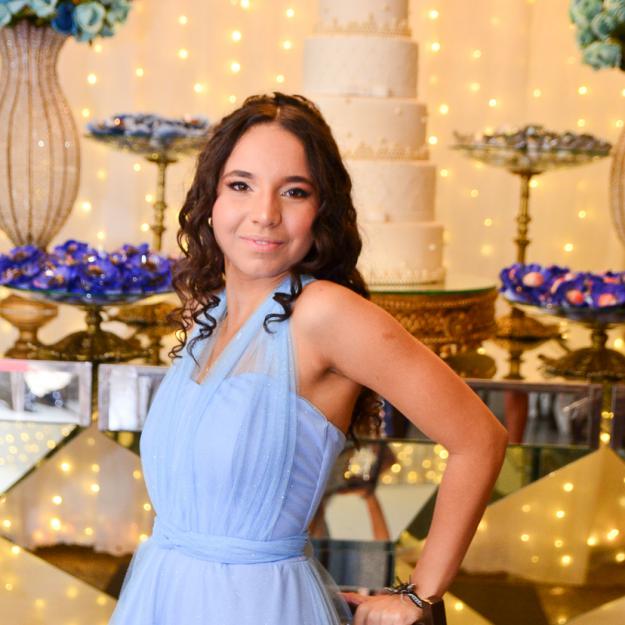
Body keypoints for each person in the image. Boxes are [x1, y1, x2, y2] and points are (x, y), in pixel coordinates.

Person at [108, 92, 508, 625]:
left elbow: (480, 439)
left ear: (321, 210)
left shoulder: (324, 314)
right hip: (164, 594)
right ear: (210, 199)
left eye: (294, 191)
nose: (264, 214)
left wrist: (418, 595)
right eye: (241, 185)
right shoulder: (207, 311)